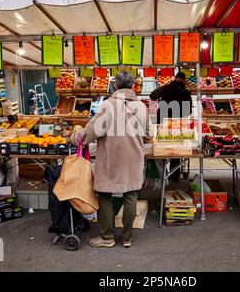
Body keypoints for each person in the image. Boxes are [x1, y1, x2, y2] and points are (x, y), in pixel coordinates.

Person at [70, 71, 150, 248]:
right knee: (131, 194)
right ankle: (127, 238)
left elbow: (91, 132)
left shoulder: (108, 105)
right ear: (133, 86)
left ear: (115, 86)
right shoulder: (142, 107)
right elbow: (148, 134)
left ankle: (107, 238)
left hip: (111, 159)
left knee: (105, 193)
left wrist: (75, 137)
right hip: (134, 157)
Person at [149, 71, 193, 181]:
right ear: (184, 80)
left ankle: (161, 174)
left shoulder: (165, 88)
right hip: (178, 126)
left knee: (161, 148)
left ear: (175, 78)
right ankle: (174, 175)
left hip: (162, 124)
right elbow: (188, 111)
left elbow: (152, 96)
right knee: (176, 149)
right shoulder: (186, 93)